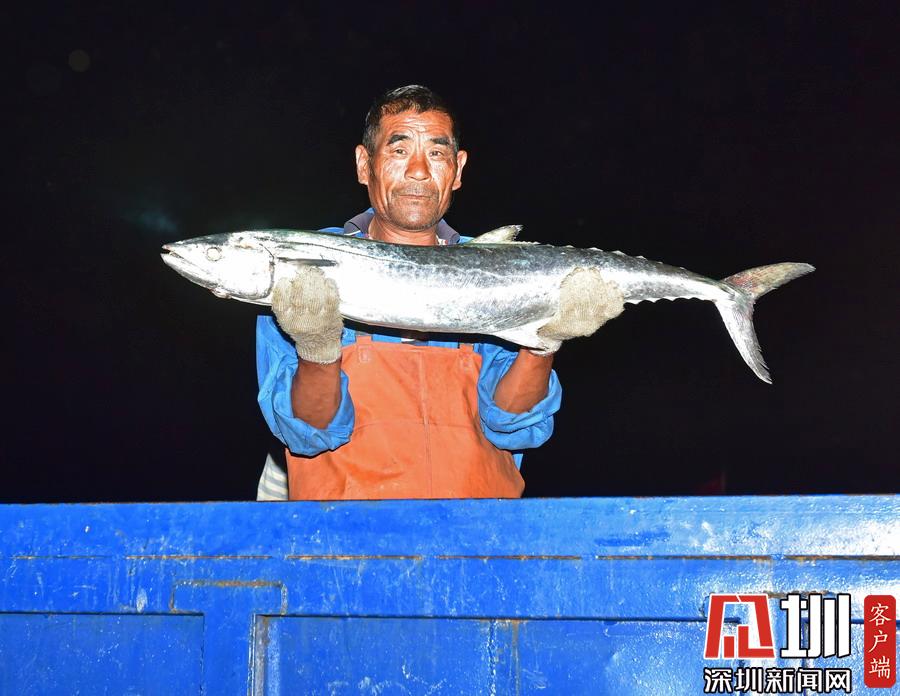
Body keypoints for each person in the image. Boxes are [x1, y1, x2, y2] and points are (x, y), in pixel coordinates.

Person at [256, 85, 624, 501]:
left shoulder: (497, 271)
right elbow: (308, 433)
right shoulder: (307, 272)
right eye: (399, 150)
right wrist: (317, 349)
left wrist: (543, 342)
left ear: (458, 169)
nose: (418, 171)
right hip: (346, 532)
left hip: (477, 530)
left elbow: (513, 425)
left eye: (436, 152)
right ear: (364, 164)